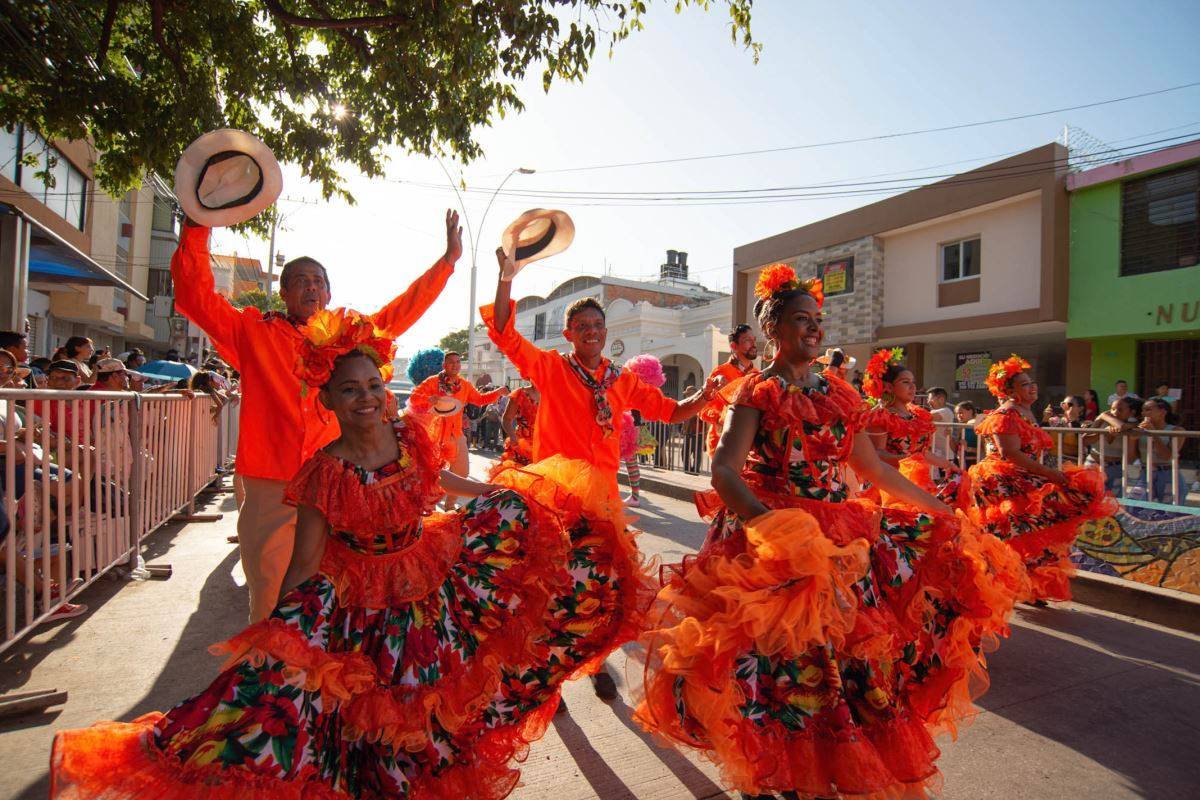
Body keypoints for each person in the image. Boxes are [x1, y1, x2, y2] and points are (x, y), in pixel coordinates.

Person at [46, 307, 605, 799]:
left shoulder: (409, 437)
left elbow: (442, 481)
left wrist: (498, 491)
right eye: (350, 389)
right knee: (375, 719)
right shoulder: (325, 471)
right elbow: (305, 561)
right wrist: (275, 636)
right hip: (364, 611)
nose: (366, 397)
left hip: (427, 586)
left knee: (437, 705)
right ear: (327, 398)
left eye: (373, 385)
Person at [635, 264, 1019, 800]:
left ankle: (823, 765)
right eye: (801, 319)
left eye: (817, 319)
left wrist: (940, 510)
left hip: (838, 536)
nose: (814, 328)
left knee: (843, 660)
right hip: (767, 538)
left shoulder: (838, 393)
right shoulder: (756, 391)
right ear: (773, 328)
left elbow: (873, 469)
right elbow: (724, 471)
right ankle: (775, 768)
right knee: (773, 664)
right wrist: (772, 529)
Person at [171, 209, 464, 623]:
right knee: (270, 596)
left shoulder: (349, 337)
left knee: (342, 594)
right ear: (284, 293)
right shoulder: (253, 332)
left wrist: (447, 263)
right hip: (273, 482)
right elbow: (194, 296)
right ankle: (271, 663)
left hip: (338, 483)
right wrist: (197, 224)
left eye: (318, 281)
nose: (311, 287)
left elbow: (398, 314)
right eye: (300, 281)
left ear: (328, 293)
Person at [483, 246, 716, 700]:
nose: (591, 332)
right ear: (569, 334)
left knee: (600, 590)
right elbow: (505, 332)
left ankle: (593, 663)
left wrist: (704, 398)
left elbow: (669, 411)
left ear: (606, 333)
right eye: (583, 326)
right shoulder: (551, 369)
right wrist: (506, 279)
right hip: (556, 499)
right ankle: (545, 679)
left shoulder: (620, 379)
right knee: (549, 587)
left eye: (597, 325)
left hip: (603, 502)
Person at [959, 355, 1117, 603]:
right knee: (1015, 538)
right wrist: (1051, 475)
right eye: (1024, 384)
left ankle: (1028, 587)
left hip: (1025, 477)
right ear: (1009, 391)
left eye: (1031, 382)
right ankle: (1007, 586)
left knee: (1036, 536)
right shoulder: (1005, 415)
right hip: (1003, 483)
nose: (1032, 387)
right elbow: (1010, 454)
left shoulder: (1025, 411)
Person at [410, 353, 508, 509]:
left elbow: (480, 399)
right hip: (434, 436)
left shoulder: (464, 385)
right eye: (451, 362)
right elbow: (414, 398)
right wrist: (428, 399)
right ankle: (430, 507)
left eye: (457, 362)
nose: (455, 365)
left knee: (462, 472)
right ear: (444, 365)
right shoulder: (432, 382)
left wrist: (498, 392)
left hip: (456, 434)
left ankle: (450, 506)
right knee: (432, 474)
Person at [862, 348, 960, 503]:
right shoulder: (880, 417)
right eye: (905, 382)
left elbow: (922, 453)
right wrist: (907, 459)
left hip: (916, 483)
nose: (913, 387)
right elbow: (875, 455)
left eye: (913, 382)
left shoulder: (918, 415)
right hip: (889, 486)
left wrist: (948, 465)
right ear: (888, 386)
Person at [699, 325, 760, 458]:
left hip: (749, 448)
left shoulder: (757, 374)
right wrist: (724, 417)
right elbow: (705, 409)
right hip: (722, 445)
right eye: (747, 340)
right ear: (733, 346)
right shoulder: (721, 372)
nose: (753, 344)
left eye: (754, 340)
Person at [1088, 395, 1142, 496]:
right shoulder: (1102, 419)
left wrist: (1104, 415)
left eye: (1120, 410)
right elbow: (1086, 439)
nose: (1114, 412)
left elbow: (1121, 426)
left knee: (1113, 499)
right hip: (1094, 464)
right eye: (1112, 409)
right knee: (1090, 498)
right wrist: (1102, 429)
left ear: (1132, 412)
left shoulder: (1133, 425)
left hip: (1115, 467)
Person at [1138, 397, 1188, 505]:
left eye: (1148, 410)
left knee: (1168, 512)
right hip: (1145, 474)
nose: (1143, 413)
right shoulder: (1140, 431)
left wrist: (1153, 433)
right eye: (1143, 410)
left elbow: (1167, 456)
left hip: (1168, 474)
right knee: (1136, 508)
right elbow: (1132, 457)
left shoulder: (1176, 430)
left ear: (1162, 412)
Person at [490, 383, 540, 478]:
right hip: (521, 445)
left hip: (543, 446)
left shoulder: (550, 394)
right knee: (519, 478)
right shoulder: (520, 393)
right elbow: (506, 419)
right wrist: (513, 437)